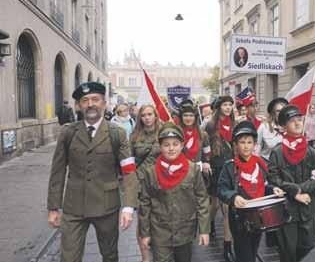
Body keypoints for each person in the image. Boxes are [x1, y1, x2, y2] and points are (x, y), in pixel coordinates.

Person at [47, 82, 138, 262]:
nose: (90, 104)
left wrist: (128, 207)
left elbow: (129, 172)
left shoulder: (116, 133)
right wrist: (53, 207)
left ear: (104, 103)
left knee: (110, 255)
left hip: (107, 207)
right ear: (79, 105)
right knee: (69, 257)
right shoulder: (68, 133)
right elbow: (57, 172)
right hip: (74, 207)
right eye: (85, 100)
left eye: (95, 99)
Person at [137, 122, 210, 262]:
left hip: (185, 231)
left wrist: (204, 230)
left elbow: (202, 199)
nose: (171, 148)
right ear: (160, 146)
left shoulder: (192, 170)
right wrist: (144, 233)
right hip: (159, 231)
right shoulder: (151, 172)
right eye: (166, 145)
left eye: (175, 144)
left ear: (182, 145)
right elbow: (144, 204)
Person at [218, 121, 284, 262]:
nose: (246, 146)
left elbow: (264, 185)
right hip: (239, 217)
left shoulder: (260, 164)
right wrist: (233, 197)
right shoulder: (230, 166)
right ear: (235, 145)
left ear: (255, 144)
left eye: (249, 142)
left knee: (253, 249)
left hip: (258, 217)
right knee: (244, 253)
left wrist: (273, 189)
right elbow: (222, 189)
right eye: (242, 142)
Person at [268, 105, 315, 262]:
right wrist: (294, 192)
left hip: (307, 206)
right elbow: (273, 177)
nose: (298, 123)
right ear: (284, 126)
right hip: (287, 208)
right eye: (292, 121)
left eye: (299, 120)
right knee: (287, 249)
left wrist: (302, 190)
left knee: (309, 243)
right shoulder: (278, 151)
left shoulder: (310, 150)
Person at [205, 95, 236, 262]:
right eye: (225, 104)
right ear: (219, 107)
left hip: (232, 168)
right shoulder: (210, 125)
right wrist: (206, 164)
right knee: (215, 204)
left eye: (230, 105)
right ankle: (209, 223)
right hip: (216, 168)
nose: (228, 107)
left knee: (227, 208)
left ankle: (227, 245)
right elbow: (204, 147)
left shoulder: (235, 124)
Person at [131, 104, 162, 262]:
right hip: (141, 183)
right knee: (142, 220)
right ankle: (145, 257)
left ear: (155, 115)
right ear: (140, 117)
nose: (147, 118)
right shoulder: (135, 135)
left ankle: (160, 254)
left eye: (150, 114)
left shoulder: (164, 132)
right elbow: (128, 162)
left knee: (160, 220)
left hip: (162, 183)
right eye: (144, 115)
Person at [177, 100, 211, 174]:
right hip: (180, 171)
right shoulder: (176, 134)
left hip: (198, 172)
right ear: (181, 117)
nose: (188, 118)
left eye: (191, 115)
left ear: (195, 117)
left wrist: (206, 163)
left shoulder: (203, 135)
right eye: (185, 115)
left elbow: (207, 154)